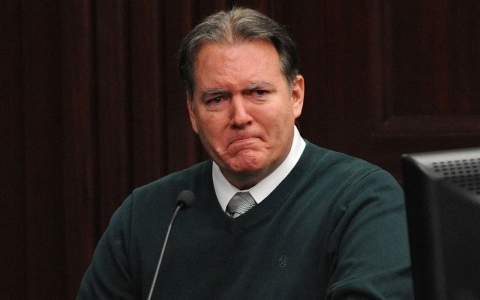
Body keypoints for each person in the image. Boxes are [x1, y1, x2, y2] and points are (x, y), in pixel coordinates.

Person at [77, 7, 413, 299]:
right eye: (217, 99)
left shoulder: (363, 201)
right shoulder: (150, 215)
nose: (240, 117)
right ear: (193, 114)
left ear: (295, 96)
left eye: (258, 92)